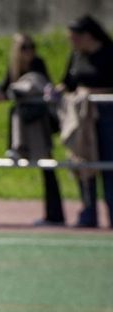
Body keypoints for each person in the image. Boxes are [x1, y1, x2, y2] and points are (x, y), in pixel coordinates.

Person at [0, 33, 64, 226]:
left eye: (31, 47)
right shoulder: (14, 67)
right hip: (25, 120)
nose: (29, 51)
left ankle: (55, 214)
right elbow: (5, 88)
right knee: (43, 165)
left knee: (47, 164)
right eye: (24, 47)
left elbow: (42, 86)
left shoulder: (38, 64)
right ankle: (17, 146)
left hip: (40, 121)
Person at [59, 15, 113, 229]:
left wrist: (92, 92)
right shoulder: (76, 56)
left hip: (107, 116)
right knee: (82, 163)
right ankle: (88, 214)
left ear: (87, 36)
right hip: (82, 119)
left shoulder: (109, 53)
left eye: (74, 38)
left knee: (109, 166)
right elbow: (67, 82)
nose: (71, 42)